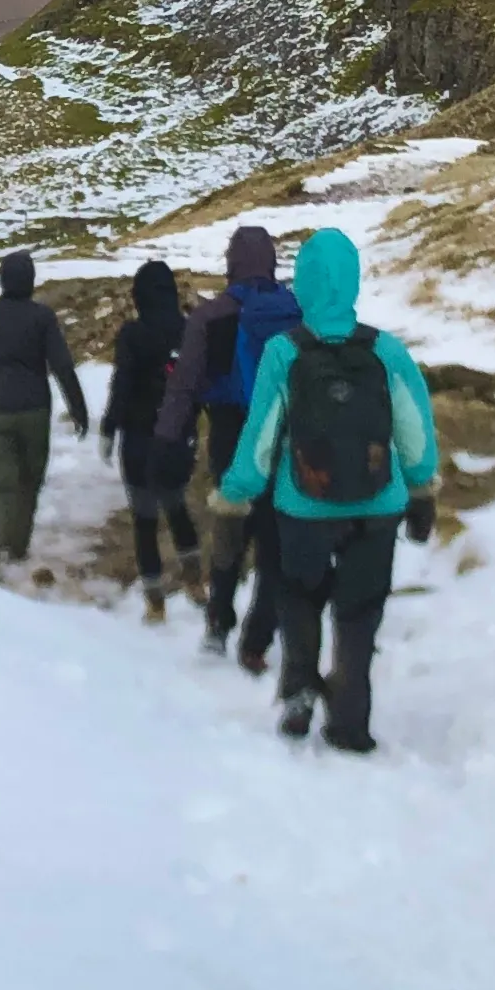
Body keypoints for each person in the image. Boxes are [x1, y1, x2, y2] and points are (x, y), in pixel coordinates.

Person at [212, 227, 438, 751]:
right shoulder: (386, 351)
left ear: (305, 284)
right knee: (360, 614)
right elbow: (414, 431)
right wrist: (423, 488)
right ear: (354, 281)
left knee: (299, 600)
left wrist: (234, 498)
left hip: (303, 505)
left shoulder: (283, 353)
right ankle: (350, 721)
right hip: (378, 505)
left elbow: (260, 438)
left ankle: (297, 694)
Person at [158, 224, 297, 665]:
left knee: (231, 528)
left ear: (231, 262)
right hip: (283, 434)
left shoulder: (210, 317)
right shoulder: (296, 312)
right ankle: (257, 642)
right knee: (276, 539)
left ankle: (219, 622)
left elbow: (185, 386)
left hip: (230, 433)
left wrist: (167, 438)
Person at [0, 248, 88, 581]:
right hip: (35, 408)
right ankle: (17, 546)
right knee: (29, 480)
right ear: (31, 280)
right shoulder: (42, 317)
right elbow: (62, 365)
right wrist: (77, 408)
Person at [99, 258, 204, 620]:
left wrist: (109, 427)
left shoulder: (133, 334)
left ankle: (155, 601)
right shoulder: (191, 330)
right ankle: (195, 581)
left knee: (144, 519)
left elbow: (122, 385)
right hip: (177, 438)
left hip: (139, 440)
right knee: (177, 506)